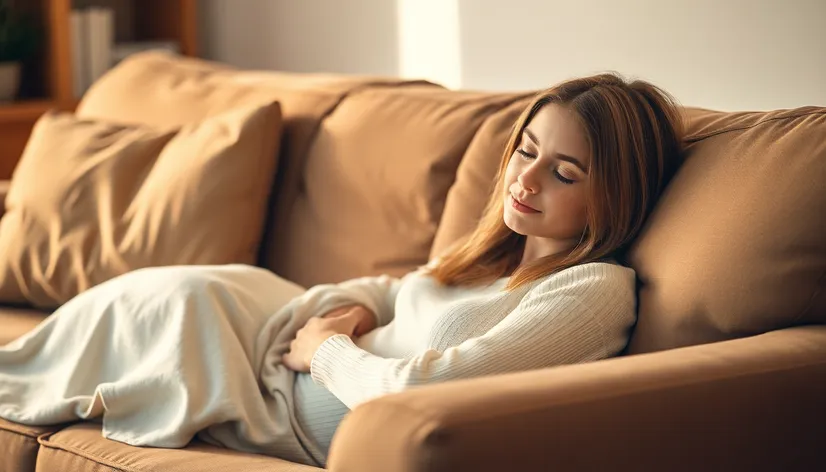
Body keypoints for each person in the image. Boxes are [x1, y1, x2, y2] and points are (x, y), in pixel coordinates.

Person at [0, 73, 683, 467]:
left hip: (275, 389)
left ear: (613, 197)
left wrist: (324, 351)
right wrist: (346, 315)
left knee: (155, 314)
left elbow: (426, 389)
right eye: (526, 151)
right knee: (161, 300)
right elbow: (391, 290)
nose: (526, 180)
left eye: (563, 172)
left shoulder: (593, 291)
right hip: (270, 326)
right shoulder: (497, 255)